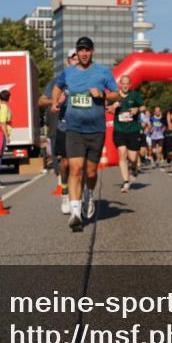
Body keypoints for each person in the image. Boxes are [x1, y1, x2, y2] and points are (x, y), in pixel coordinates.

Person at [51, 37, 119, 232]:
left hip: (96, 129)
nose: (83, 53)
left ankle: (89, 194)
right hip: (74, 128)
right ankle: (75, 213)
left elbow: (116, 94)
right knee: (76, 169)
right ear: (77, 52)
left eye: (87, 50)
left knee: (90, 172)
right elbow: (57, 86)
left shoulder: (103, 72)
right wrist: (56, 101)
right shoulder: (69, 72)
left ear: (92, 52)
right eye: (80, 50)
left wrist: (103, 95)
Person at [39, 51, 78, 213]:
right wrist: (55, 100)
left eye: (78, 58)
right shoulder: (58, 81)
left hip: (82, 128)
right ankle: (64, 192)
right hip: (62, 128)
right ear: (68, 61)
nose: (76, 61)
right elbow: (41, 101)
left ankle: (79, 200)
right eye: (73, 58)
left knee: (79, 166)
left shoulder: (89, 80)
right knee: (65, 164)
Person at [110, 75, 144, 193]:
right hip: (119, 130)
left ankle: (134, 168)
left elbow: (143, 107)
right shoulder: (115, 96)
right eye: (123, 83)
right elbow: (106, 108)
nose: (125, 86)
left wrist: (138, 110)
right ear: (120, 84)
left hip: (133, 130)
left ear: (130, 84)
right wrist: (112, 107)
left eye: (127, 84)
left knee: (133, 157)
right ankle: (125, 182)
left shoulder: (135, 95)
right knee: (122, 152)